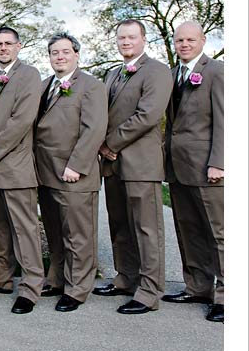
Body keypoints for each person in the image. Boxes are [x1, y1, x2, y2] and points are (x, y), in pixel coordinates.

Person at [94, 19, 174, 314]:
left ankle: (150, 291)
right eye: (121, 37)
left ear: (143, 39)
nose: (125, 42)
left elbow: (147, 115)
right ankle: (125, 277)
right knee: (120, 225)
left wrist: (109, 144)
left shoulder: (157, 71)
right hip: (112, 165)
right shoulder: (111, 73)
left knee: (147, 228)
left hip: (140, 163)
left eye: (131, 37)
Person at [34, 33, 107, 312]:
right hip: (45, 172)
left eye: (65, 52)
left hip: (73, 172)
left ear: (77, 54)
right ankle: (57, 278)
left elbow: (94, 129)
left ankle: (77, 288)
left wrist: (76, 165)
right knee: (54, 231)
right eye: (54, 52)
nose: (60, 57)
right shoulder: (44, 86)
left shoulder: (91, 86)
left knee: (78, 234)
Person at [0, 26, 43, 311]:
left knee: (24, 229)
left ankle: (30, 287)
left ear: (18, 46)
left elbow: (22, 119)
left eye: (8, 43)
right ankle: (1, 278)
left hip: (14, 166)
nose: (2, 48)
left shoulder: (29, 75)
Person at [160, 21, 224, 322]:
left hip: (208, 167)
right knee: (189, 230)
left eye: (190, 39)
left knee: (219, 232)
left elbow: (226, 121)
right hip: (178, 167)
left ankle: (225, 296)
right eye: (179, 40)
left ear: (203, 40)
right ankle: (197, 286)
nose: (184, 44)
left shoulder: (216, 71)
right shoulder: (172, 75)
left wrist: (220, 162)